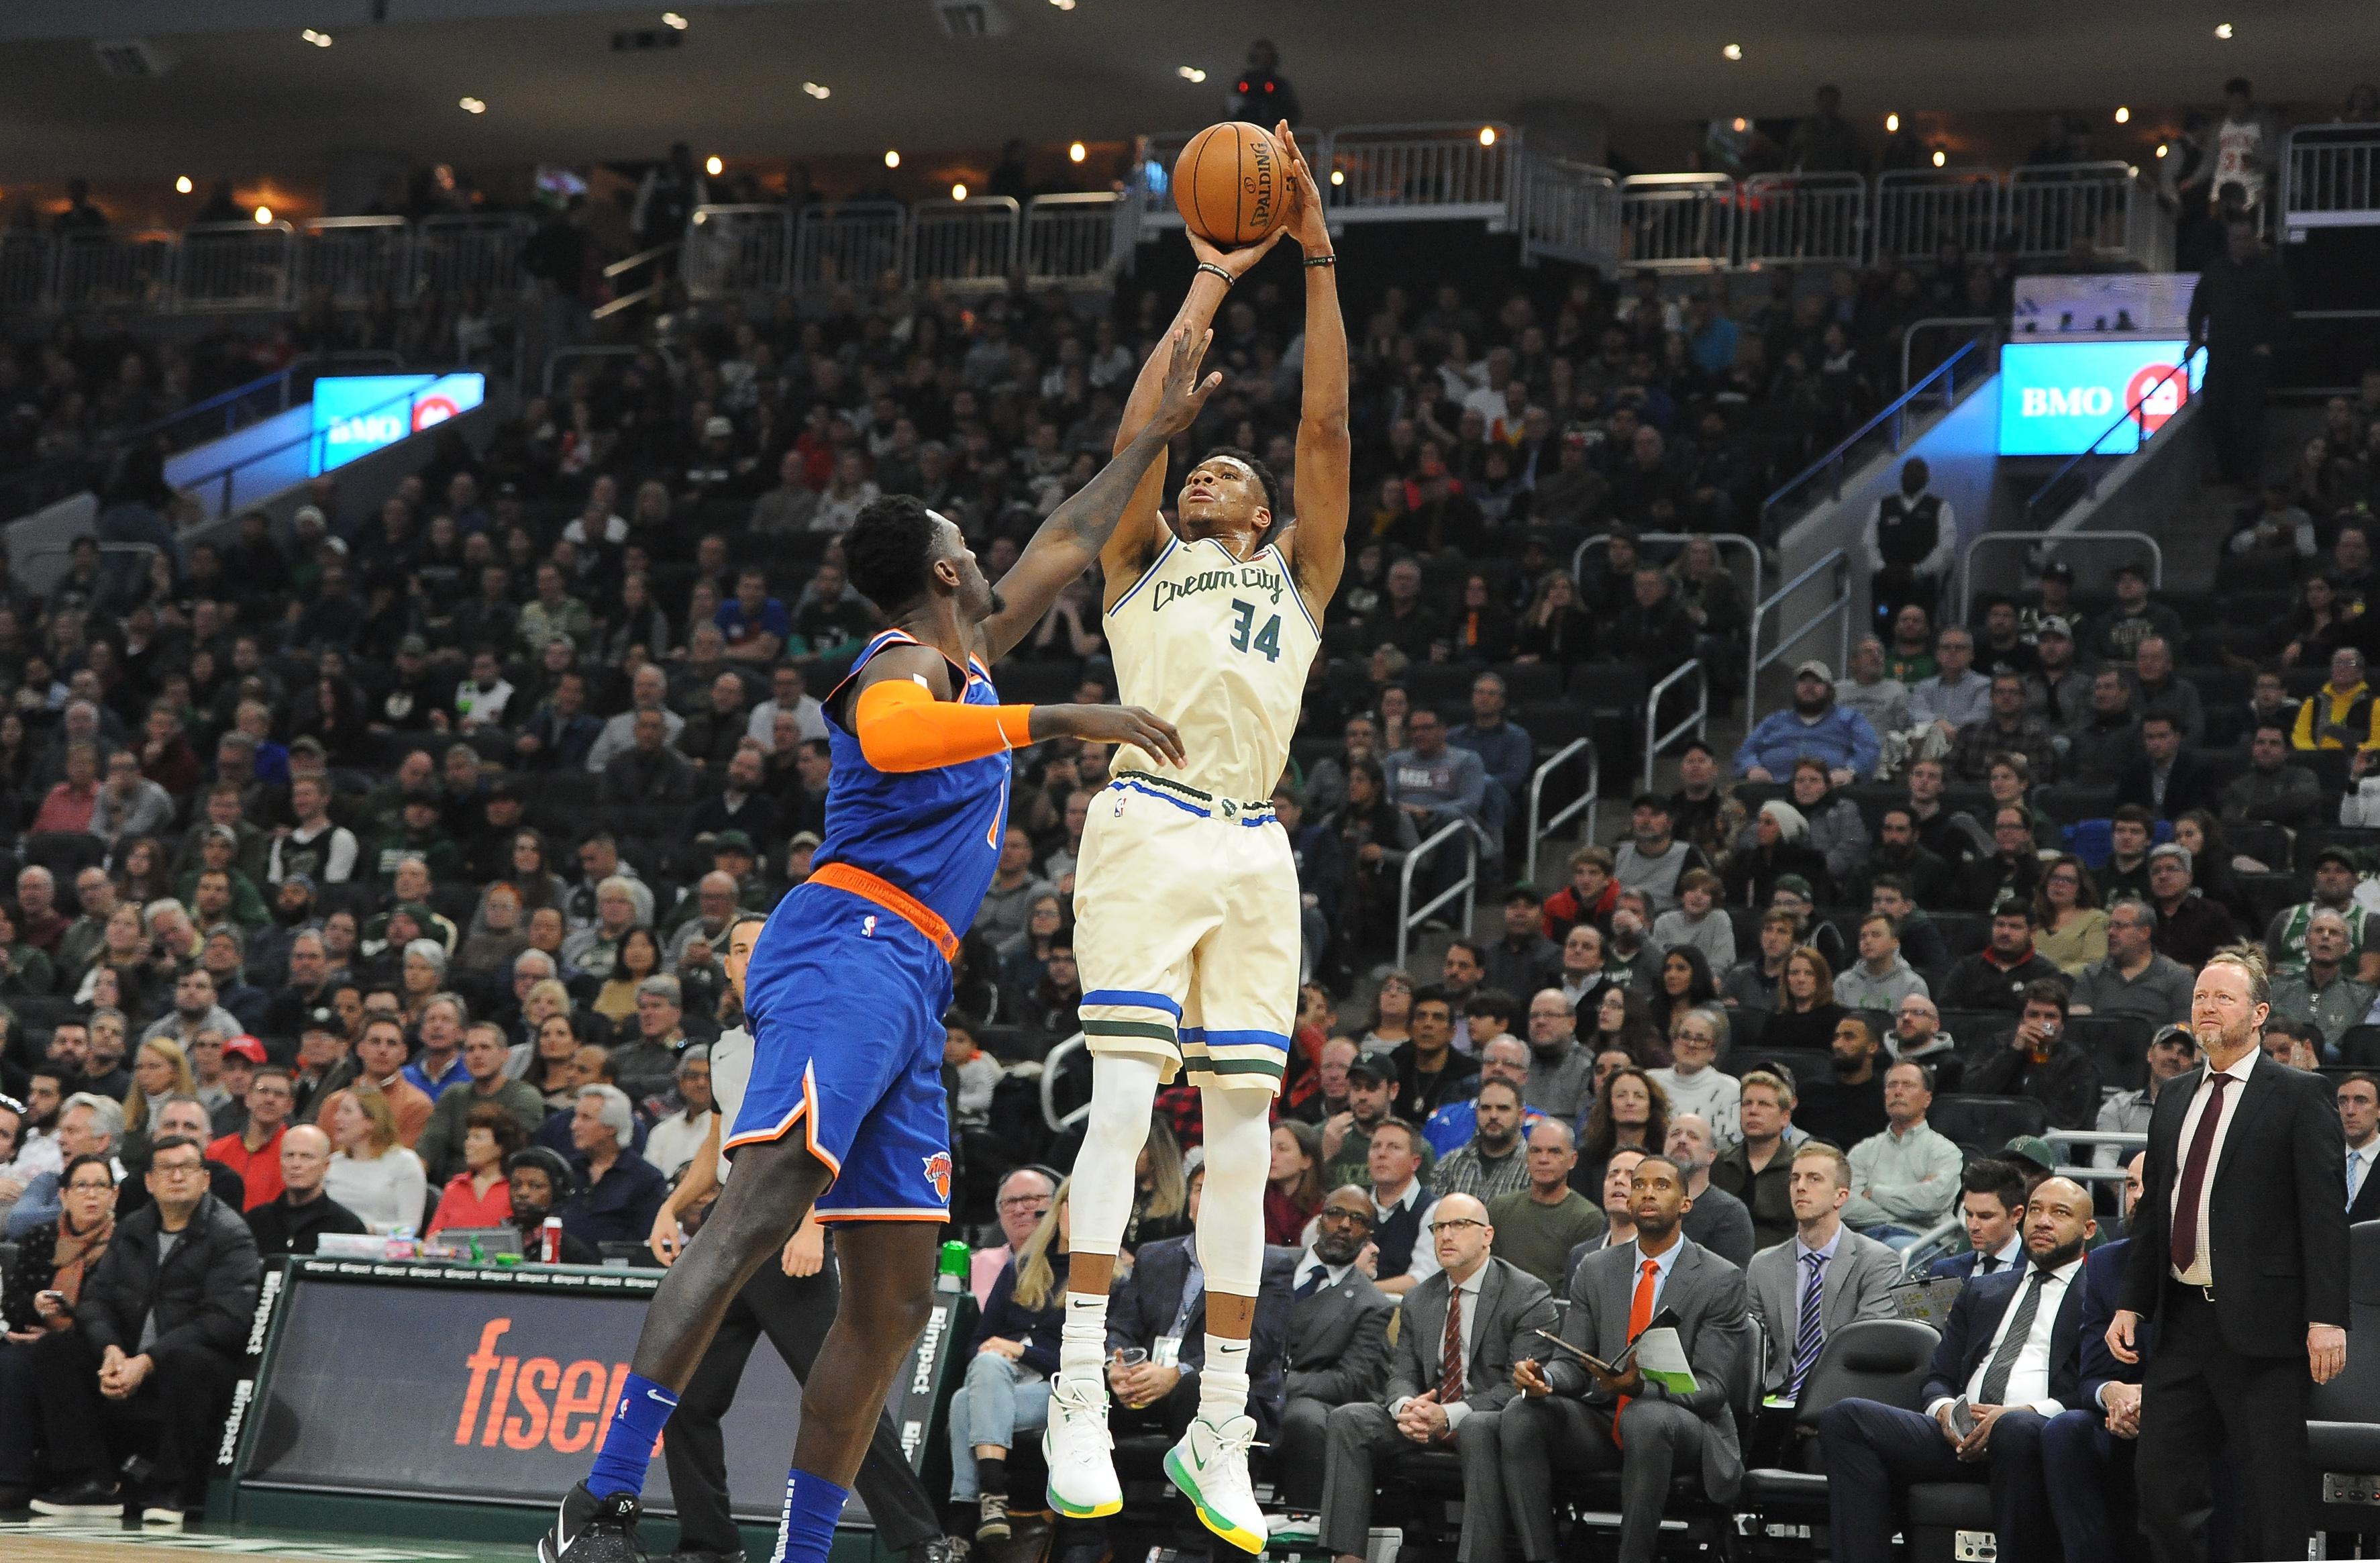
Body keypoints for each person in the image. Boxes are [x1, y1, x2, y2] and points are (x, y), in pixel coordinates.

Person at [546, 325, 1227, 1563]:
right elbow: (906, 739)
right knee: (752, 1213)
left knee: (899, 1295)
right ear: (944, 563)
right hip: (847, 939)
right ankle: (597, 1499)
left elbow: (1069, 536)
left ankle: (804, 1551)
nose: (987, 547)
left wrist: (1154, 433)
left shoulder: (968, 647)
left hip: (912, 977)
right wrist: (1068, 714)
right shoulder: (900, 660)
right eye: (967, 536)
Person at [1049, 131, 1344, 1554]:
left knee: (1246, 1130)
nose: (1221, 465)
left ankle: (1220, 1422)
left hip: (1253, 845)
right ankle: (1073, 1396)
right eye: (1205, 464)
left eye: (1239, 464)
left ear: (1268, 513)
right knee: (1120, 1106)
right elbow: (1132, 442)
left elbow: (1329, 434)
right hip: (1149, 820)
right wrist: (1211, 288)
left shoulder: (1300, 576)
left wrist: (1324, 257)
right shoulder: (1140, 559)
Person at [645, 913, 945, 1563]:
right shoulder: (722, 1047)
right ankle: (710, 1542)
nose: (751, 958)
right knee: (687, 1395)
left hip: (788, 1237)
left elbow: (831, 1140)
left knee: (844, 1392)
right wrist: (671, 1206)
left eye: (763, 946)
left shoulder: (818, 1026)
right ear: (725, 966)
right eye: (739, 950)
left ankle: (922, 1541)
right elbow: (717, 1146)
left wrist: (809, 1224)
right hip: (730, 1230)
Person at [2111, 948, 2350, 1563]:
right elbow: (2155, 1211)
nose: (2206, 1007)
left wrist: (2327, 1316)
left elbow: (2324, 1215)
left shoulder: (2299, 1094)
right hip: (2182, 1318)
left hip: (2265, 1325)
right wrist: (2130, 1302)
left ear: (2259, 1012)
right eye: (2199, 996)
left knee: (2272, 1491)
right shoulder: (2174, 1095)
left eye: (2222, 996)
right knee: (2160, 1483)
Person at [1816, 1176, 2100, 1563]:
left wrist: (2023, 1414)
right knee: (1845, 1417)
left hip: (2034, 1434)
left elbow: (2090, 1386)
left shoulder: (2099, 1297)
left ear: (2088, 1230)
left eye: (2060, 1213)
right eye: (2036, 1209)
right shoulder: (1985, 1290)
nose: (2043, 1221)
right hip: (1959, 1434)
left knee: (2014, 1431)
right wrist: (1946, 1411)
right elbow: (1939, 1376)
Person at [1502, 1154, 1750, 1563]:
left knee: (1646, 1415)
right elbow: (1574, 1365)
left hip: (1687, 1427)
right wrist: (1545, 1377)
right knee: (1521, 1412)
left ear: (1686, 1204)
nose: (1647, 1192)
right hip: (1604, 1419)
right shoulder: (1595, 1268)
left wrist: (1641, 1387)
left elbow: (1712, 1389)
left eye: (1661, 1185)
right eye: (1639, 1185)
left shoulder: (1720, 1278)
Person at [21, 1136, 260, 1524]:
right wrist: (112, 1351)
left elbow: (226, 1319)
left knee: (190, 1361)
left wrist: (148, 1361)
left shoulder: (230, 1234)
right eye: (166, 1169)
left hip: (192, 1364)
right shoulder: (134, 1228)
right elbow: (97, 1301)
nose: (177, 1176)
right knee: (56, 1350)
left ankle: (169, 1488)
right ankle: (94, 1481)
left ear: (205, 1179)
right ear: (149, 1181)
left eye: (187, 1168)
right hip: (130, 1355)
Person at [1318, 1192, 1556, 1563]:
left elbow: (1517, 1387)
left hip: (1487, 1422)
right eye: (1439, 1227)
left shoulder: (1526, 1294)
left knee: (1478, 1426)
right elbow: (1401, 1374)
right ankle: (1348, 1557)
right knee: (1349, 1420)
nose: (1446, 1235)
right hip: (1427, 1419)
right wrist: (1406, 1408)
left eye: (1460, 1225)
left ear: (1487, 1235)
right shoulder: (1420, 1298)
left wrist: (1449, 1414)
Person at [2039, 1154, 2151, 1563]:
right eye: (2132, 1185)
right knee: (2065, 1430)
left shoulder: (2212, 1262)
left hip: (2192, 1411)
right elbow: (2091, 1378)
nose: (2137, 1196)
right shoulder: (2105, 1263)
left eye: (2148, 1183)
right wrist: (2113, 1394)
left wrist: (2148, 1400)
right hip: (2123, 1419)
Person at [950, 1180, 1076, 1543]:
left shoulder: (1111, 1280)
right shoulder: (1020, 1268)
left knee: (966, 1402)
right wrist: (996, 1354)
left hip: (1057, 1388)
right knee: (978, 1380)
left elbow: (1089, 1366)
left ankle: (968, 1517)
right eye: (1072, 1203)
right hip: (1001, 1383)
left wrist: (1021, 1352)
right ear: (1058, 1210)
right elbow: (977, 1343)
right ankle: (987, 1505)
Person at [1268, 1185, 1396, 1538]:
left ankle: (1305, 1526)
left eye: (1358, 1220)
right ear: (1320, 1219)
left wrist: (1278, 1386)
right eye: (1337, 1214)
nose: (1344, 1225)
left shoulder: (1372, 1303)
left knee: (1305, 1419)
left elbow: (1350, 1380)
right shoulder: (1271, 1262)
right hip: (1244, 1384)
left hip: (1305, 1401)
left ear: (1368, 1235)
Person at [1745, 1142, 1900, 1399]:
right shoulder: (1764, 1265)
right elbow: (1755, 1349)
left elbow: (1864, 1347)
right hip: (1774, 1398)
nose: (1800, 1187)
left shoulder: (1878, 1262)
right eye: (1795, 1179)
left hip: (1842, 1398)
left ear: (1841, 1196)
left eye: (1814, 1179)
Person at [2188, 213, 2291, 488]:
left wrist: (2270, 345)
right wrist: (2195, 338)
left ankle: (2249, 474)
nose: (2242, 244)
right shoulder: (2215, 271)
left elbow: (2282, 312)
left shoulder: (2269, 271)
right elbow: (2198, 307)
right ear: (2228, 240)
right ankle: (2230, 471)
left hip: (2253, 355)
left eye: (2246, 239)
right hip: (2221, 354)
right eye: (2237, 239)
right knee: (2216, 411)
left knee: (2249, 413)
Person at [1843, 1060, 1963, 1240]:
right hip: (1866, 1240)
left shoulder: (1945, 1151)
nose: (1898, 1092)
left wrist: (1874, 1193)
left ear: (1927, 1099)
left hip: (1921, 1243)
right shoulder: (1862, 1151)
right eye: (1892, 1085)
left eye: (1908, 1085)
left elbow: (1931, 1202)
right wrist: (1908, 1213)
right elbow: (1844, 1205)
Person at [1969, 980, 2104, 1130]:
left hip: (2047, 1139)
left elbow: (2069, 1121)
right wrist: (2014, 1052)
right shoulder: (1997, 1044)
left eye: (2051, 1016)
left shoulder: (2076, 1062)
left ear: (2063, 1023)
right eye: (2033, 1015)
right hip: (1993, 1131)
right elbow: (1972, 1092)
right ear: (2022, 1019)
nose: (2042, 1023)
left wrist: (2042, 1057)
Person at [1733, 661, 1879, 784]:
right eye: (1803, 681)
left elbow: (1869, 749)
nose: (1809, 687)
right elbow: (1746, 750)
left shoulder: (1850, 719)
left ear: (1830, 690)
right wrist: (1752, 767)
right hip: (1774, 786)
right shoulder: (1775, 720)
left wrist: (1851, 772)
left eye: (1817, 682)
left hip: (1829, 791)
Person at [2069, 895, 2196, 1027]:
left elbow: (2185, 1028)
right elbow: (2077, 1023)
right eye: (2110, 926)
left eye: (2119, 926)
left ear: (2144, 933)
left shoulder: (2178, 977)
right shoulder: (2092, 974)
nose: (2111, 932)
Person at [244, 1123, 366, 1258]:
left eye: (307, 1156)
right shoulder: (256, 1221)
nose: (296, 1164)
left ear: (326, 1166)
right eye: (289, 1155)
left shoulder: (347, 1228)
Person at [1863, 458, 1957, 632]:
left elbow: (1946, 548)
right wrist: (1882, 568)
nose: (1912, 476)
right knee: (1883, 628)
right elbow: (1869, 542)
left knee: (1920, 631)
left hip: (1921, 585)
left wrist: (1918, 571)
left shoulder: (1940, 508)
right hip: (1886, 584)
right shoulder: (1882, 506)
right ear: (1901, 476)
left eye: (1918, 471)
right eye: (1908, 471)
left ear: (1927, 477)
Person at [2091, 1023, 2201, 1170]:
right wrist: (2121, 1185)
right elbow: (2105, 1155)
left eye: (2184, 1053)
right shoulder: (2118, 1106)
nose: (2174, 1057)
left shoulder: (2203, 1109)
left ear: (2193, 1065)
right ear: (2150, 1054)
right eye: (2167, 1047)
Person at [319, 1087, 428, 1234]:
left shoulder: (405, 1162)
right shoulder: (331, 1163)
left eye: (347, 1111)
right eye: (339, 1111)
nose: (337, 1117)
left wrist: (365, 1229)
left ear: (371, 1122)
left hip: (382, 1251)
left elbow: (409, 1229)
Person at [2269, 907, 2378, 1052]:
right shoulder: (2277, 989)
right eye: (2319, 931)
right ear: (2307, 942)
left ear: (2346, 948)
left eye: (2334, 933)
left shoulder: (2364, 996)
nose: (2325, 936)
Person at [1710, 1070, 1798, 1250]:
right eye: (1747, 1104)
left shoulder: (1799, 1167)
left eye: (1764, 1104)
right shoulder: (1719, 1163)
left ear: (1785, 1117)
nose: (1753, 1111)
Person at [1939, 897, 2067, 1012]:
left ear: (2032, 932)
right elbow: (1947, 1012)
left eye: (2015, 927)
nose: (2005, 932)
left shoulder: (2045, 973)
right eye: (2000, 925)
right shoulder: (1967, 968)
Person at [1796, 1013, 1891, 1149]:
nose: (1838, 1045)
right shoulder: (1811, 1091)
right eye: (1836, 1038)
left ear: (1872, 1047)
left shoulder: (1887, 1097)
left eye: (1849, 1037)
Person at [1650, 1005, 1740, 1148]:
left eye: (1701, 1039)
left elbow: (1730, 1144)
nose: (1691, 1044)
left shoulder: (1729, 1089)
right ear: (1673, 1042)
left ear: (1713, 1051)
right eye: (1685, 1036)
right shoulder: (1651, 1081)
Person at [1430, 1078, 1531, 1203]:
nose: (1493, 1115)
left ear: (1521, 1116)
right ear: (1477, 1113)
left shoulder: (1534, 1167)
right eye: (1486, 1108)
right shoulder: (1450, 1164)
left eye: (1503, 1108)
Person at [1928, 1161, 2030, 1281]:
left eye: (1985, 1216)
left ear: (2016, 1215)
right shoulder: (1944, 1271)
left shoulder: (2036, 1271)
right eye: (1969, 1214)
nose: (1972, 1226)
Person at [2147, 844, 2242, 971]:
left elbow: (2230, 961)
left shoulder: (2212, 913)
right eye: (2156, 871)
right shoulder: (2142, 915)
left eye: (2171, 869)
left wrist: (2193, 970)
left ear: (2189, 877)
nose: (2163, 876)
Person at [2221, 721, 2322, 829]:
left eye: (2274, 743)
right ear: (2253, 748)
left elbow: (2297, 804)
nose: (2266, 749)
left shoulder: (2304, 776)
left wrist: (2250, 812)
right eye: (2260, 742)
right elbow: (2229, 821)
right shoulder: (2239, 786)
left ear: (2286, 752)